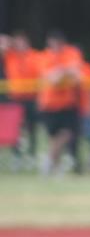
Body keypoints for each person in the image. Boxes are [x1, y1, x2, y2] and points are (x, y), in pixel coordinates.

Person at [36, 30, 84, 176]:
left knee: (67, 133)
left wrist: (60, 71)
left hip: (67, 103)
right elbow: (51, 78)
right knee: (53, 137)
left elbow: (76, 73)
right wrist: (65, 71)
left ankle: (48, 161)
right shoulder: (44, 56)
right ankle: (54, 168)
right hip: (49, 103)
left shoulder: (71, 53)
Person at [1, 31, 41, 164]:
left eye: (22, 42)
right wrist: (10, 42)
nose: (20, 45)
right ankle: (16, 156)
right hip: (16, 97)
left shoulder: (34, 55)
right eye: (17, 43)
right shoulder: (10, 56)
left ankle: (31, 154)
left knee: (32, 127)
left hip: (31, 96)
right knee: (15, 127)